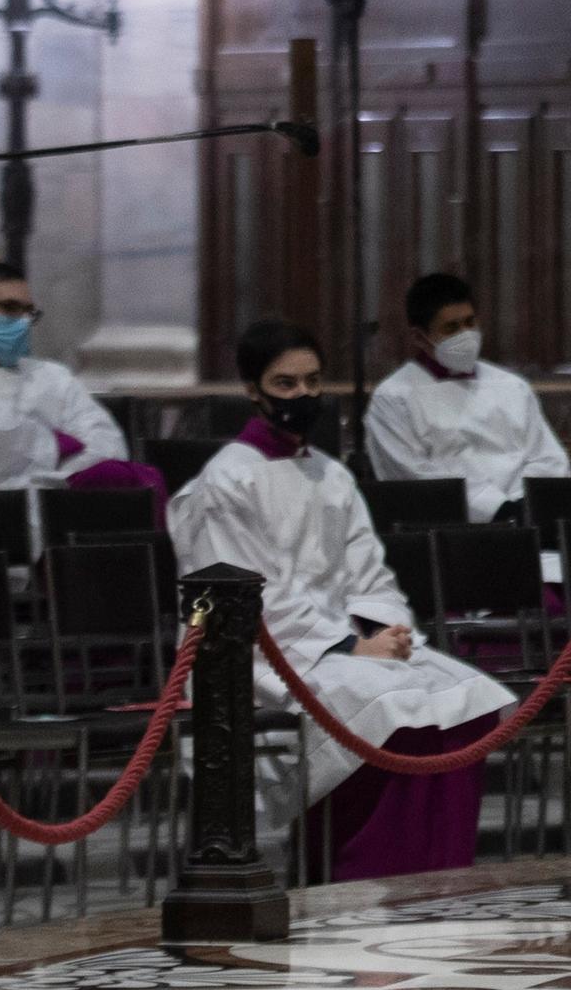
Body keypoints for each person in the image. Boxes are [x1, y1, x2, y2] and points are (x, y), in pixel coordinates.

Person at [170, 318, 514, 881]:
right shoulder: (227, 481)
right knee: (395, 707)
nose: (303, 396)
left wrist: (389, 633)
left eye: (312, 382)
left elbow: (368, 573)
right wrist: (353, 646)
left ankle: (440, 879)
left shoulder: (332, 475)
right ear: (253, 391)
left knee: (466, 697)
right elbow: (252, 598)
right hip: (266, 655)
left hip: (348, 646)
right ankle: (361, 878)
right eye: (286, 384)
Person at [0, 261, 164, 498]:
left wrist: (55, 478)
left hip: (68, 500)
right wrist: (55, 444)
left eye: (28, 311)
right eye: (10, 309)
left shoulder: (52, 375)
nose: (23, 321)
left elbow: (104, 440)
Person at [361, 271, 571, 520]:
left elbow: (549, 458)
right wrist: (496, 509)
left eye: (470, 323)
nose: (466, 335)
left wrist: (526, 506)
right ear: (420, 337)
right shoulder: (393, 398)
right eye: (451, 328)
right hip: (450, 527)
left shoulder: (512, 386)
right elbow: (413, 477)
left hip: (529, 518)